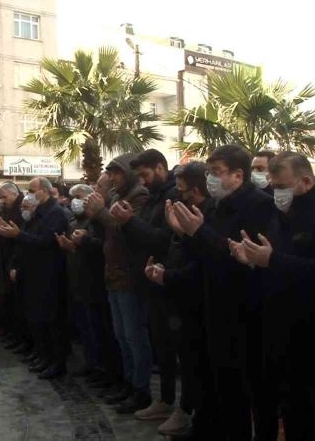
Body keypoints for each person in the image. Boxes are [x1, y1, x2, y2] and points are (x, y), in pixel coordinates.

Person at [230, 152, 315, 441]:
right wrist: (252, 260)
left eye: (282, 186)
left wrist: (272, 260)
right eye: (272, 187)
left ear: (305, 181)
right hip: (283, 329)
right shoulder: (279, 213)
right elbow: (272, 260)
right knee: (294, 409)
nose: (276, 193)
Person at [166, 144, 275, 440]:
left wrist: (198, 233)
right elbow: (203, 254)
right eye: (209, 173)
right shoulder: (215, 205)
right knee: (218, 381)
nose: (210, 179)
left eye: (216, 173)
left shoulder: (258, 204)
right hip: (213, 304)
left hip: (245, 308)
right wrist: (185, 234)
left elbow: (239, 255)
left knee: (246, 387)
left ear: (238, 175)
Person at [145, 161, 216, 439]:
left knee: (199, 368)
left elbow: (202, 262)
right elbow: (180, 249)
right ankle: (191, 416)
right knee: (187, 364)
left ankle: (196, 418)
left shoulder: (209, 212)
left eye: (183, 188)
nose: (179, 192)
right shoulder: (185, 208)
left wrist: (169, 277)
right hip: (178, 297)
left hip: (198, 302)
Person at [110, 149, 178, 420]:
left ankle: (164, 399)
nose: (143, 181)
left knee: (157, 344)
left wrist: (128, 222)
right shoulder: (153, 197)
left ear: (160, 168)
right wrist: (127, 223)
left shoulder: (170, 197)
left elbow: (161, 239)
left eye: (146, 174)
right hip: (146, 278)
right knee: (145, 340)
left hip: (164, 280)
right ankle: (155, 395)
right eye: (139, 176)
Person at [84, 153, 152, 414]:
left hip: (130, 275)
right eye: (109, 173)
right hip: (113, 272)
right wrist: (96, 214)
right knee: (122, 335)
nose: (111, 178)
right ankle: (128, 382)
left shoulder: (139, 196)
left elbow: (124, 229)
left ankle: (140, 388)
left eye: (116, 173)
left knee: (135, 336)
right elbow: (105, 232)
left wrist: (100, 211)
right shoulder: (115, 197)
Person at [0, 177, 69, 380]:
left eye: (32, 190)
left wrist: (17, 235)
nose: (28, 194)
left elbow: (47, 242)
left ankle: (56, 362)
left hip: (49, 275)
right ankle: (43, 356)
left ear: (45, 191)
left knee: (51, 321)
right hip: (33, 273)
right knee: (36, 318)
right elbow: (25, 242)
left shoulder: (56, 213)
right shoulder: (36, 213)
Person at [55, 184, 106, 380]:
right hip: (76, 280)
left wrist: (83, 242)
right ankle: (90, 363)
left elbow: (101, 248)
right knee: (85, 328)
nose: (74, 200)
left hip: (93, 282)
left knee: (96, 329)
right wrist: (69, 246)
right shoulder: (74, 221)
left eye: (79, 196)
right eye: (72, 196)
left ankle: (100, 367)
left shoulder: (96, 221)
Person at [0, 183, 26, 349]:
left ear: (14, 194)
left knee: (19, 304)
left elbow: (22, 236)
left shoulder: (21, 209)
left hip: (17, 260)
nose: (2, 201)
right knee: (9, 302)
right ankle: (13, 334)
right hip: (6, 258)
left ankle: (22, 339)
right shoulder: (6, 210)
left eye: (4, 197)